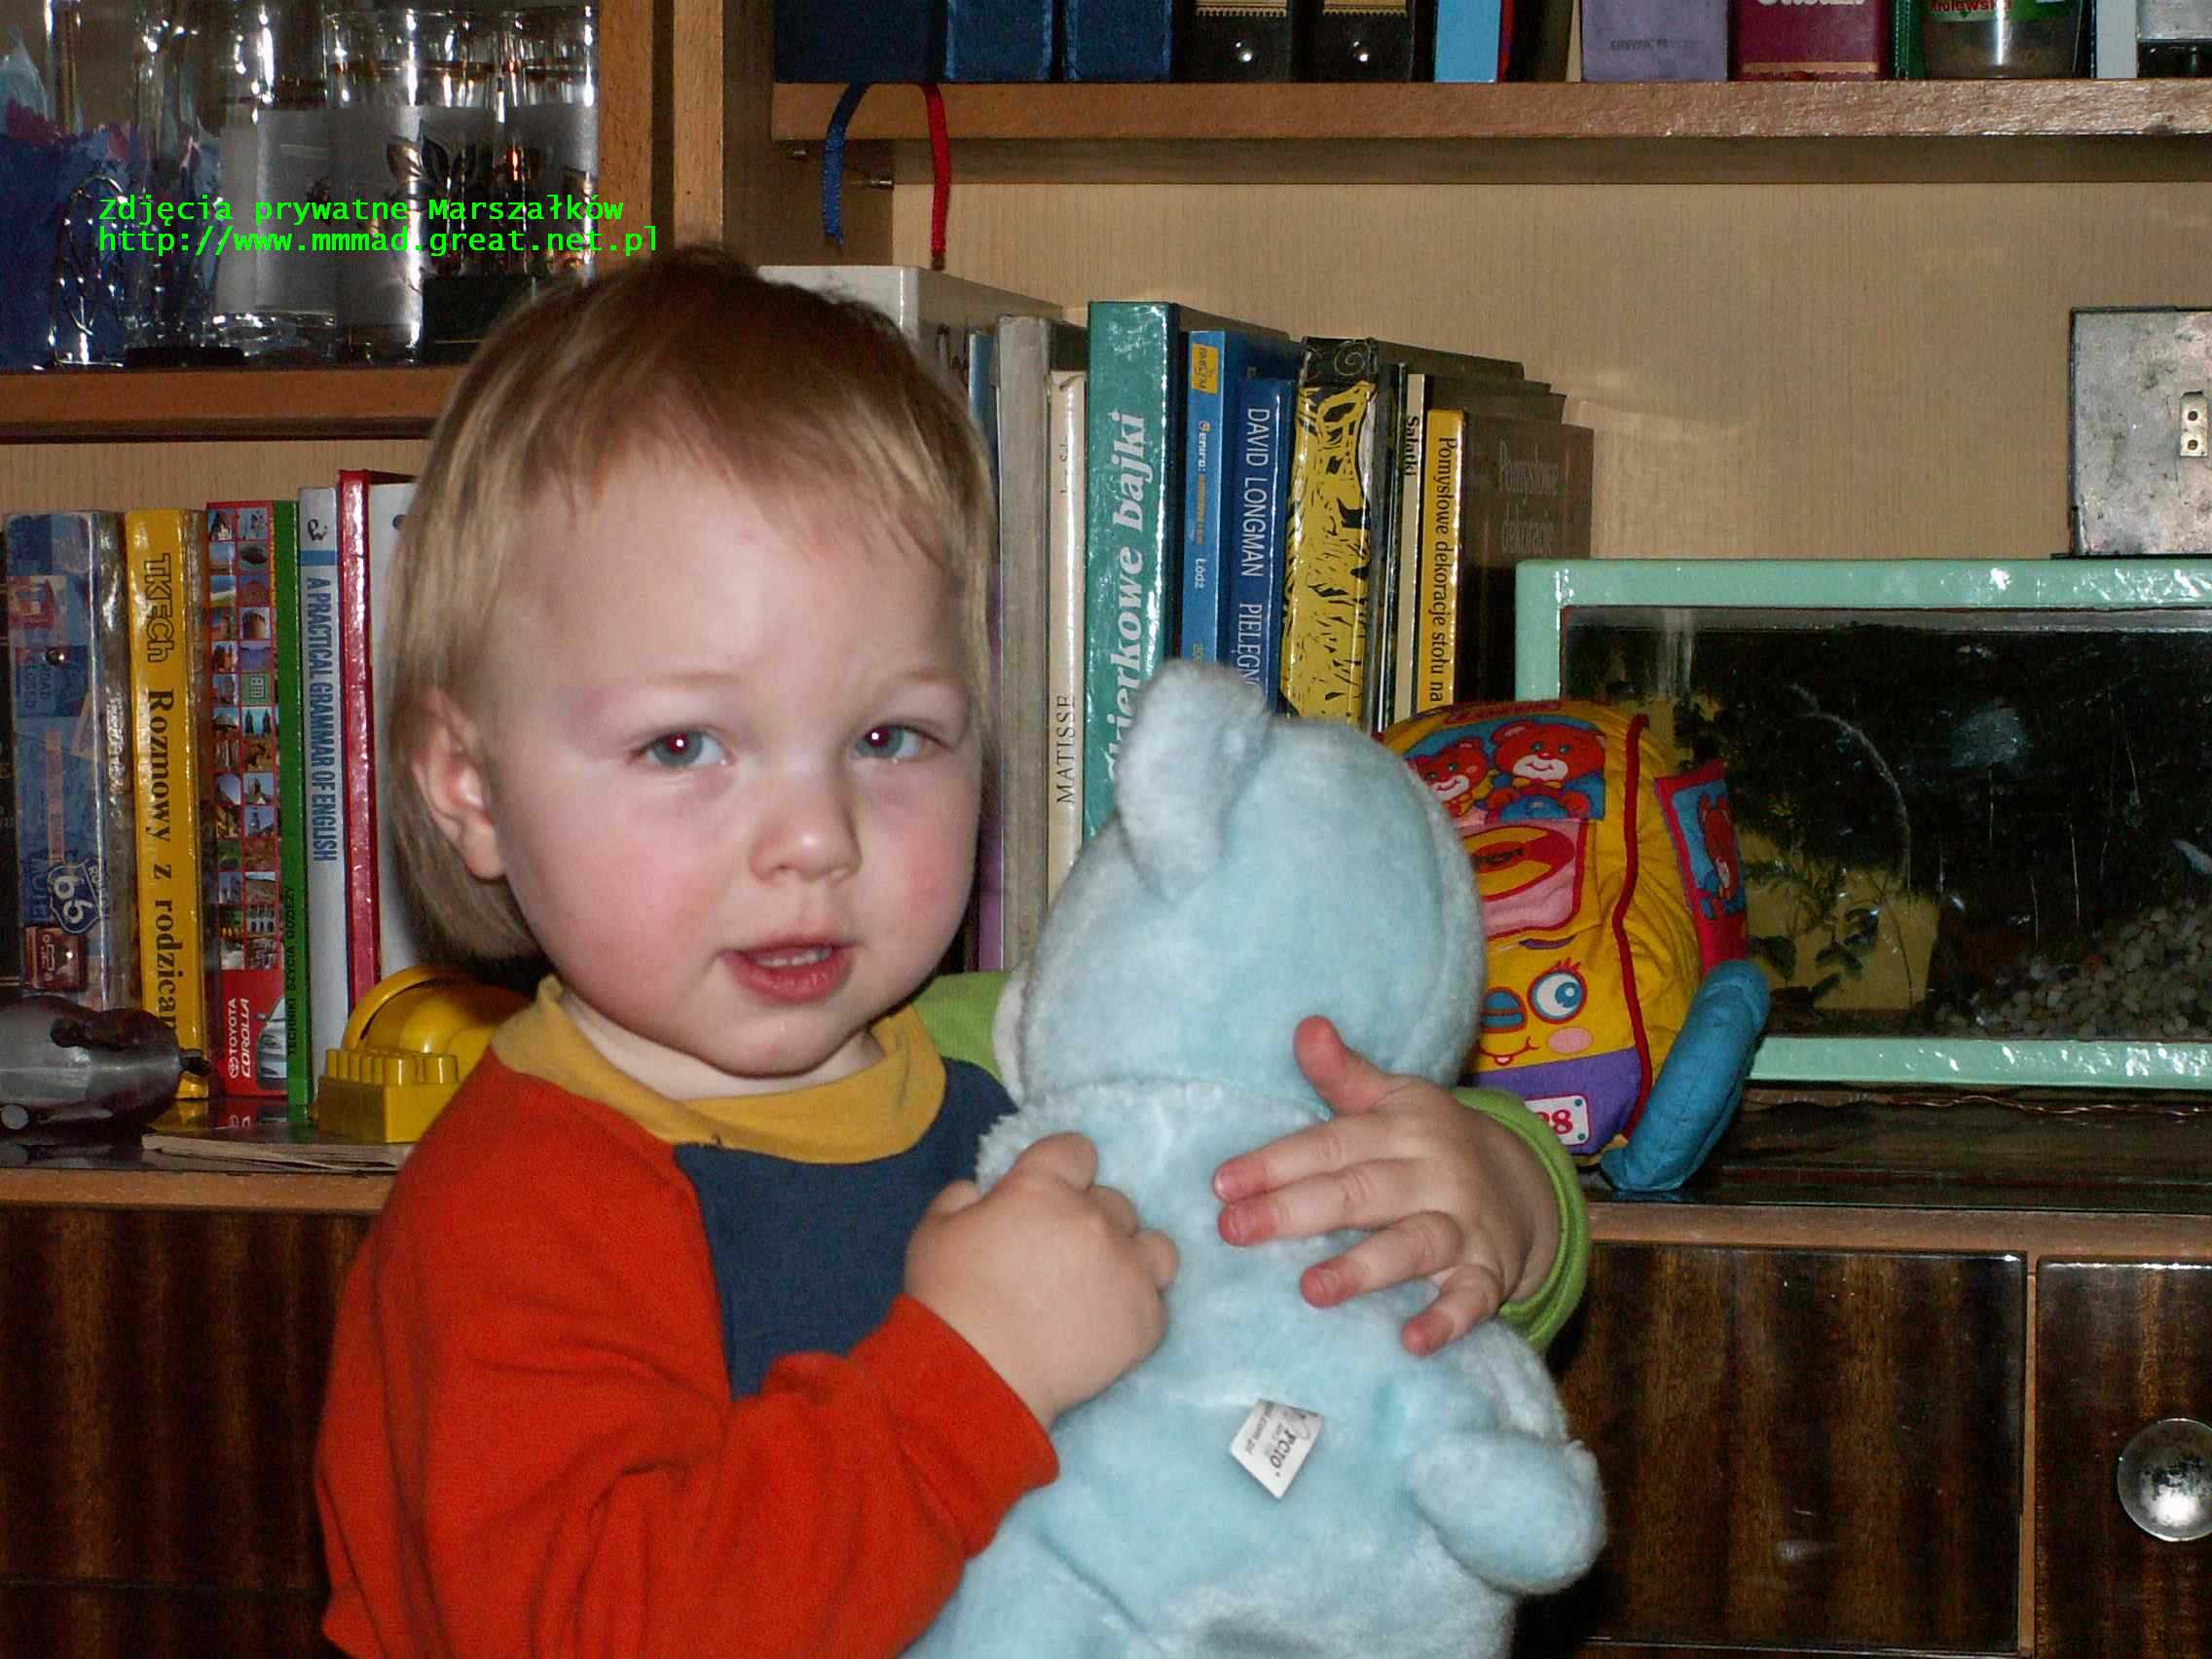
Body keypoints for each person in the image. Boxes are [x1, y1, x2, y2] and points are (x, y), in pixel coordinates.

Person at [313, 246, 1590, 1659]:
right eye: (682, 745)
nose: (817, 837)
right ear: (470, 787)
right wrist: (968, 1376)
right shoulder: (515, 1215)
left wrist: (1496, 1198)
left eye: (889, 737)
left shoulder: (1003, 1055)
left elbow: (1283, 1160)